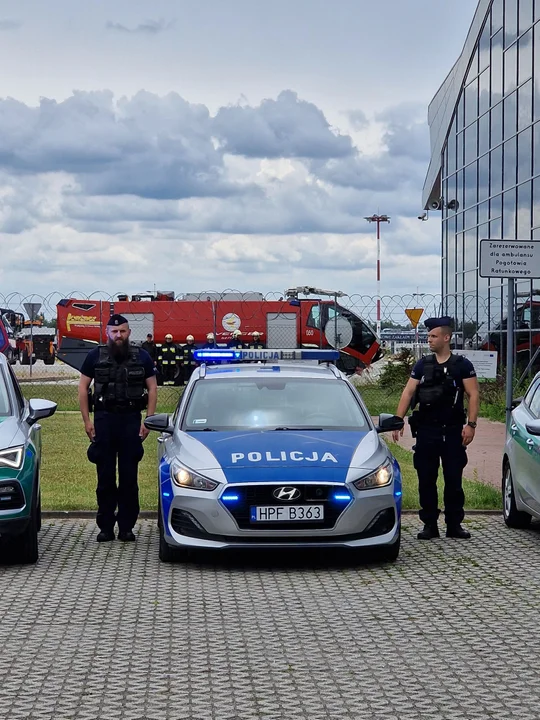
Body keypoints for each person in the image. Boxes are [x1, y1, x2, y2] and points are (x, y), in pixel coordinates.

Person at [392, 316, 479, 540]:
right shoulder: (423, 364)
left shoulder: (462, 365)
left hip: (452, 431)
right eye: (428, 336)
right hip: (427, 431)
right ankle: (429, 524)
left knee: (453, 480)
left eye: (433, 336)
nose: (429, 339)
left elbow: (473, 394)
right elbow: (408, 392)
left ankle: (454, 524)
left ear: (446, 337)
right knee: (426, 480)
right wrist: (398, 419)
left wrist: (471, 425)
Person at [78, 314, 157, 543]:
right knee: (105, 477)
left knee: (129, 477)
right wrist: (87, 421)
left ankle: (126, 527)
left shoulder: (141, 356)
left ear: (129, 332)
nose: (118, 336)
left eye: (122, 331)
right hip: (104, 420)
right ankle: (105, 527)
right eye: (114, 332)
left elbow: (152, 388)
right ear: (107, 333)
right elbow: (83, 388)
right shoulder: (95, 356)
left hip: (131, 420)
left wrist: (148, 420)